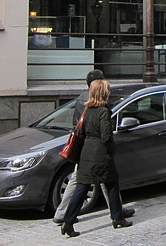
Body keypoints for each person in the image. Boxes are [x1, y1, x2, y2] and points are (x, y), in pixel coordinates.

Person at [53, 70, 134, 224]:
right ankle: (116, 215)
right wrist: (111, 150)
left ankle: (66, 218)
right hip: (98, 153)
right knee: (106, 183)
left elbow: (79, 127)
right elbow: (106, 136)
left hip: (86, 150)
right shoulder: (101, 109)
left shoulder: (85, 103)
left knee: (83, 185)